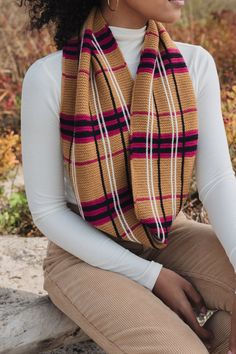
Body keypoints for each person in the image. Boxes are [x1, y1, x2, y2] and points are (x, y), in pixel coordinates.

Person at [19, 0, 236, 353]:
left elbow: (217, 180)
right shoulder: (48, 77)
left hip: (165, 231)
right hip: (81, 251)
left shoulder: (194, 63)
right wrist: (149, 277)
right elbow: (48, 212)